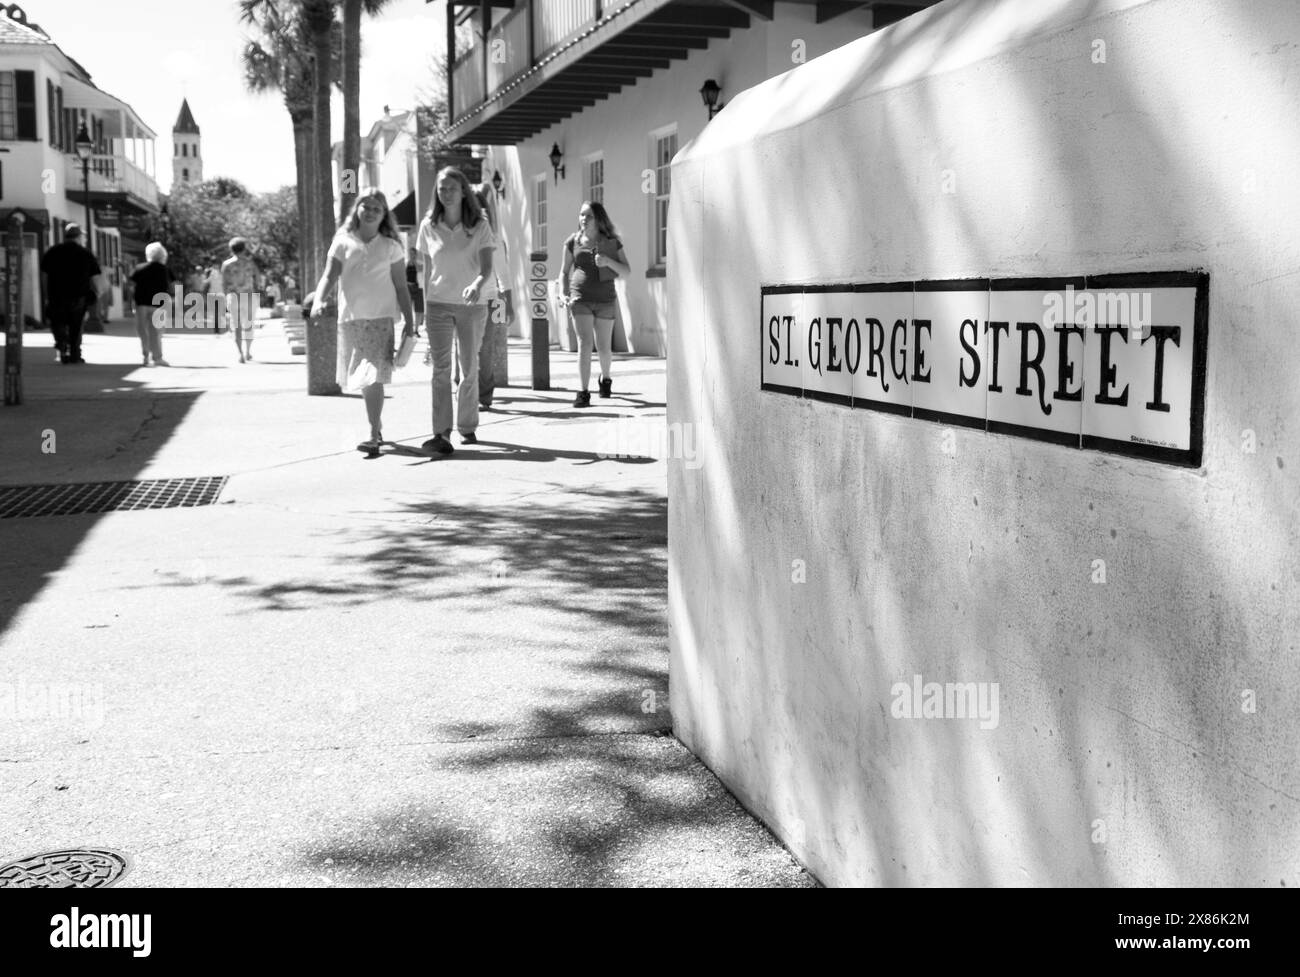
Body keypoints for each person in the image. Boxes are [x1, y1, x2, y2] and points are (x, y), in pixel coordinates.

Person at [309, 190, 415, 453]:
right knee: (363, 378)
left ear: (384, 214)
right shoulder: (343, 242)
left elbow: (402, 287)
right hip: (351, 319)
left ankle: (373, 434)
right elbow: (329, 276)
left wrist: (411, 323)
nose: (370, 212)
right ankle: (375, 425)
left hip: (381, 319)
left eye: (376, 208)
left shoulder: (392, 246)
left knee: (372, 377)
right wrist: (319, 300)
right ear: (356, 209)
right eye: (365, 206)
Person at [415, 166, 495, 455]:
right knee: (440, 370)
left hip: (471, 306)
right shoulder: (428, 226)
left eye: (451, 188)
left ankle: (467, 425)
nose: (446, 193)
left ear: (463, 191)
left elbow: (487, 268)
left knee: (468, 367)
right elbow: (425, 274)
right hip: (437, 304)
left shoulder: (479, 226)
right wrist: (422, 313)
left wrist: (476, 286)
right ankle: (441, 432)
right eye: (441, 188)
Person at [558, 200, 630, 406]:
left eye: (588, 215)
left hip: (605, 299)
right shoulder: (573, 241)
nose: (583, 219)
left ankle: (605, 378)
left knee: (604, 347)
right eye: (581, 214)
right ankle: (583, 392)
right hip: (579, 298)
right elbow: (563, 272)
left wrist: (608, 262)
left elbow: (626, 271)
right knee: (585, 344)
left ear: (598, 219)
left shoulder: (610, 242)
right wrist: (562, 294)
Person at [40, 223, 102, 364]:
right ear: (79, 236)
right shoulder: (85, 253)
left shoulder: (53, 252)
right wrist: (96, 293)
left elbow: (44, 275)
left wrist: (45, 294)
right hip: (79, 296)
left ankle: (62, 346)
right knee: (76, 325)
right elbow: (94, 277)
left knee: (58, 322)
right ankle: (75, 353)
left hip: (56, 295)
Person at [472, 184, 507, 409]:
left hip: (494, 299)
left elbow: (504, 272)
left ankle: (484, 395)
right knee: (465, 348)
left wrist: (508, 306)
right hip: (464, 299)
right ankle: (465, 388)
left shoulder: (493, 236)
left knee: (487, 348)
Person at [129, 242, 172, 367]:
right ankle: (157, 357)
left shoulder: (139, 268)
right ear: (163, 255)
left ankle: (146, 355)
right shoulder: (165, 269)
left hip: (141, 303)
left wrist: (132, 301)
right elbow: (173, 286)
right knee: (156, 332)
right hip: (159, 305)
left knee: (143, 331)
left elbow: (131, 286)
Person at [221, 238, 260, 362]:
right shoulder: (250, 263)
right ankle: (248, 351)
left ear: (231, 249)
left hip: (234, 296)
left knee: (236, 325)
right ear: (244, 248)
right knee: (249, 325)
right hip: (248, 296)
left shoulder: (226, 265)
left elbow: (224, 283)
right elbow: (257, 278)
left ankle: (240, 354)